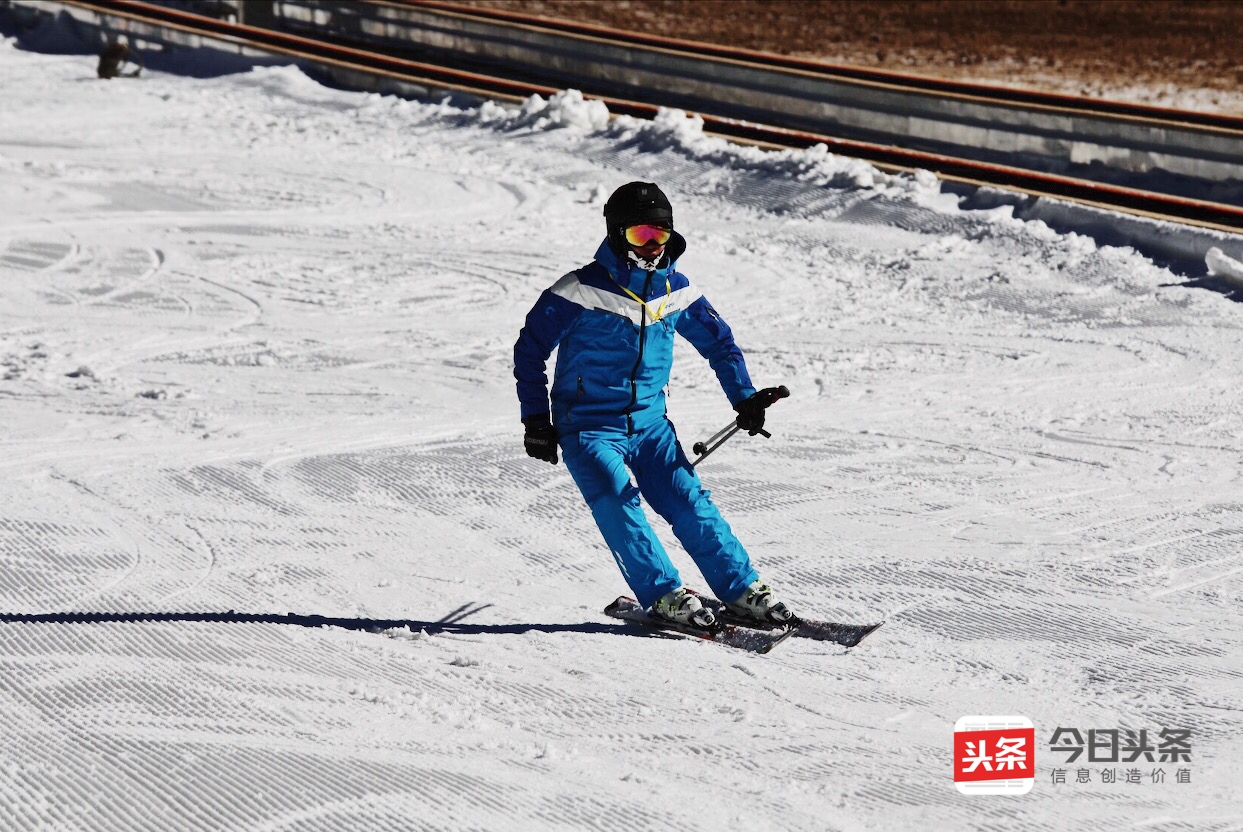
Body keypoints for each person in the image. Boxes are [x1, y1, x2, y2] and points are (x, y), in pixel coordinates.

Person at [513, 181, 795, 630]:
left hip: (650, 425)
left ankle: (742, 589)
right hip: (587, 426)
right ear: (615, 234)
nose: (650, 247)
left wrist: (744, 397)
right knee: (614, 497)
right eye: (639, 236)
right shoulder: (579, 290)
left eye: (659, 236)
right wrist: (536, 419)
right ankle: (663, 594)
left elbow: (721, 344)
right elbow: (529, 350)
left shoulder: (676, 290)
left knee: (688, 501)